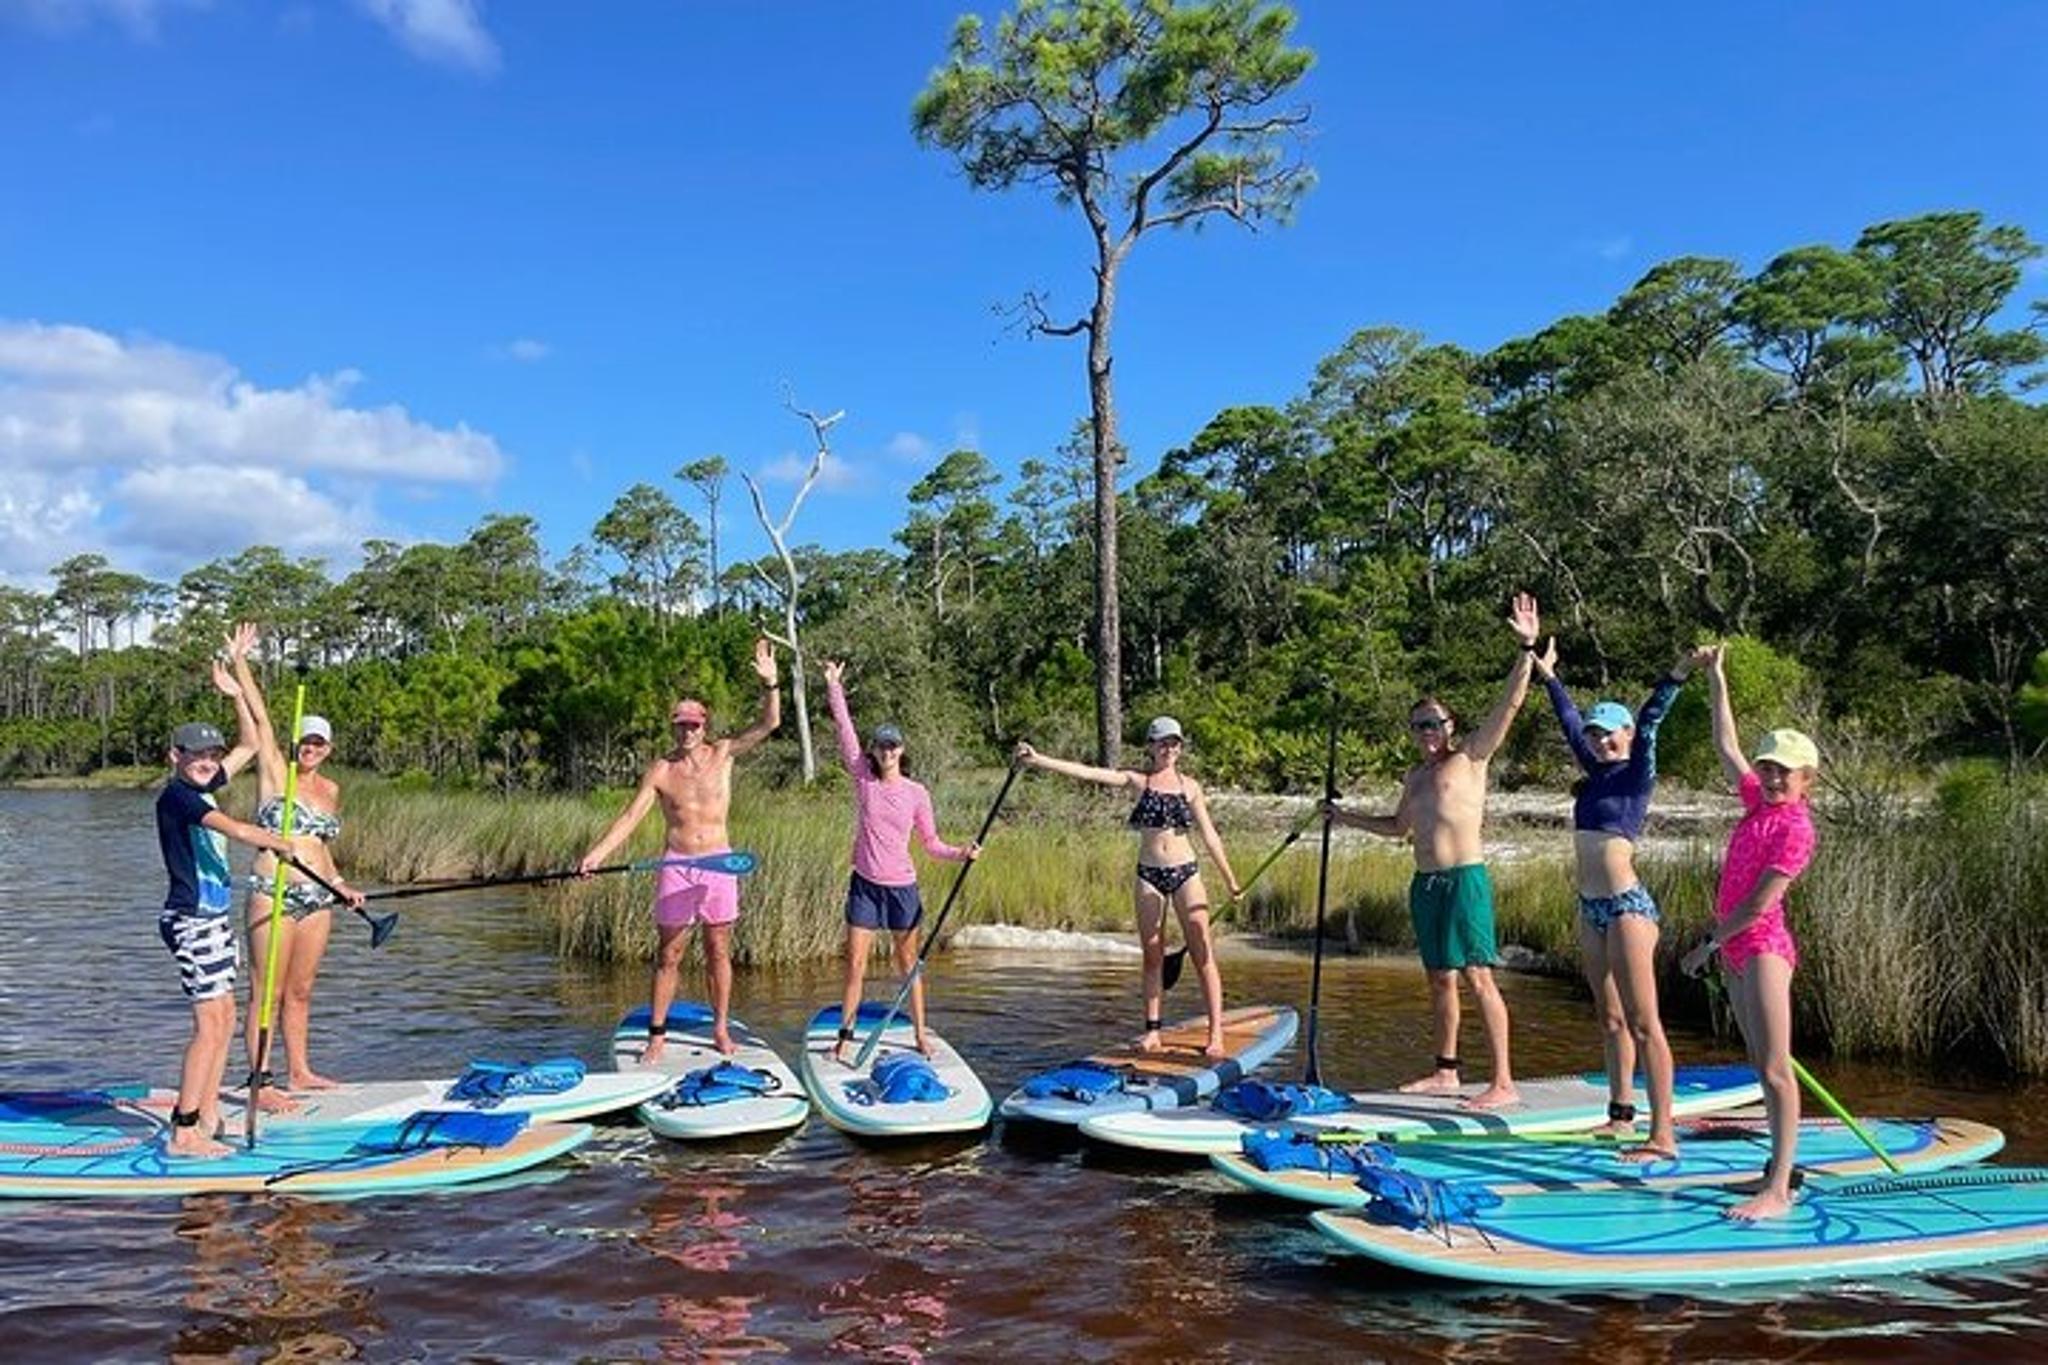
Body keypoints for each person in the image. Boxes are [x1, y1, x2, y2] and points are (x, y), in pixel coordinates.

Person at [1324, 592, 1541, 1109]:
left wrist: (1527, 649)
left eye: (1435, 724)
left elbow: (1509, 704)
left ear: (1452, 727)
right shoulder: (1416, 776)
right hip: (1427, 884)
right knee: (1439, 978)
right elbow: (1399, 827)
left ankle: (1504, 1082)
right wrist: (1343, 816)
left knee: (1478, 976)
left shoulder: (1470, 757)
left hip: (1465, 879)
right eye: (1419, 725)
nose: (1427, 732)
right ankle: (1445, 1071)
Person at [1532, 637, 1698, 1157]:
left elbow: (1651, 721)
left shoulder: (1636, 773)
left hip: (1627, 906)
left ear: (1626, 736)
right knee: (1609, 1019)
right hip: (1591, 907)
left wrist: (1676, 674)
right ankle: (1621, 1115)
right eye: (1597, 735)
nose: (1602, 742)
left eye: (1610, 734)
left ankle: (1663, 1133)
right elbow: (1566, 720)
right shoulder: (1594, 771)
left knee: (1645, 1022)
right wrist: (1550, 676)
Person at [579, 638, 780, 1062]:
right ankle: (657, 1033)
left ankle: (721, 1029)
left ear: (705, 726)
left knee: (718, 949)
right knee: (669, 952)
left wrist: (770, 684)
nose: (687, 731)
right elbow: (630, 817)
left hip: (720, 865)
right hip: (677, 866)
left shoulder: (723, 752)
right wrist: (597, 854)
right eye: (681, 725)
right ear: (674, 727)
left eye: (694, 724)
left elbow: (768, 725)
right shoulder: (661, 769)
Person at [1681, 644, 1820, 1220]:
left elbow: (1763, 903)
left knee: (1774, 1069)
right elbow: (1725, 744)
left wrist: (1708, 944)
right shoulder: (1754, 805)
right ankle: (1774, 1171)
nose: (1769, 776)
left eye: (1782, 771)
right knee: (1762, 1063)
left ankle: (1780, 1190)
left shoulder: (1795, 829)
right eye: (1767, 768)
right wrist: (1716, 678)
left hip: (1761, 949)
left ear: (1806, 778)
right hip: (1736, 950)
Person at [1014, 718, 1241, 1059]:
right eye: (1163, 743)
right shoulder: (1139, 780)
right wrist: (1039, 760)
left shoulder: (1191, 787)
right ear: (1150, 746)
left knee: (1202, 951)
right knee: (1152, 955)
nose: (1170, 749)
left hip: (1186, 873)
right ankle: (1152, 1032)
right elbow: (1089, 773)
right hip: (1149, 874)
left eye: (1175, 743)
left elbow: (1210, 835)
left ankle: (1216, 1034)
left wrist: (1230, 879)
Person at [216, 624, 364, 1101]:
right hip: (271, 892)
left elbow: (321, 848)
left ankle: (299, 1071)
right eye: (305, 741)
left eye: (319, 743)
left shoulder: (331, 790)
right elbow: (261, 724)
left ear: (329, 748)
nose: (311, 749)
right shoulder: (276, 772)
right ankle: (260, 1082)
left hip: (317, 896)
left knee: (300, 992)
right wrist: (241, 663)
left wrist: (340, 883)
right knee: (267, 993)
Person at [155, 684, 297, 1158]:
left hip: (214, 921)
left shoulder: (206, 785)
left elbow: (252, 745)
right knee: (210, 1027)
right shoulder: (178, 797)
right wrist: (274, 840)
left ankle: (209, 1110)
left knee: (227, 1016)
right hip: (191, 920)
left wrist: (238, 694)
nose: (208, 762)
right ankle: (184, 1130)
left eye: (213, 755)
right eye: (196, 754)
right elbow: (234, 830)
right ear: (175, 755)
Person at [820, 660, 980, 1063]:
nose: (887, 751)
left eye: (893, 746)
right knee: (854, 964)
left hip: (901, 890)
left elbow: (931, 843)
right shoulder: (863, 780)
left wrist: (961, 853)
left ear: (901, 750)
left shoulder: (916, 793)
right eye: (881, 745)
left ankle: (920, 1035)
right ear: (873, 752)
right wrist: (834, 687)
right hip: (865, 887)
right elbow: (844, 732)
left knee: (908, 965)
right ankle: (845, 1036)